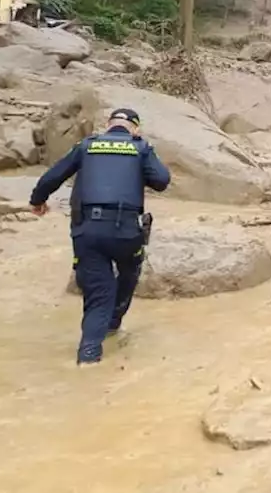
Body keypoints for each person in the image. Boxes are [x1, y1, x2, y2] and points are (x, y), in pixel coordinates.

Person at [29, 108, 171, 366]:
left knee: (98, 294)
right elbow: (161, 180)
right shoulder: (140, 147)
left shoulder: (86, 146)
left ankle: (89, 356)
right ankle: (114, 324)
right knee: (130, 270)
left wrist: (37, 201)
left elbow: (53, 176)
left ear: (108, 125)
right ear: (135, 128)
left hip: (88, 231)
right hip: (126, 231)